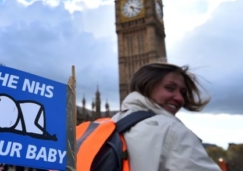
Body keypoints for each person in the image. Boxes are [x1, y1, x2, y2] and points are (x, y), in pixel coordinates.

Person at [91, 63, 221, 170]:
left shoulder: (102, 127)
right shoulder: (171, 130)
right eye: (170, 88)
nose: (180, 98)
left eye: (183, 92)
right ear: (146, 86)